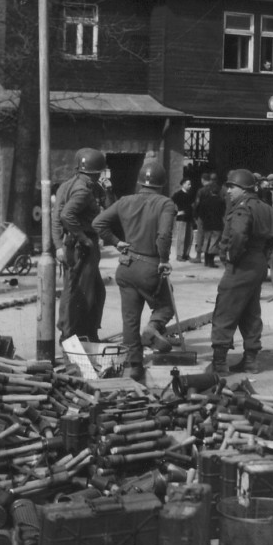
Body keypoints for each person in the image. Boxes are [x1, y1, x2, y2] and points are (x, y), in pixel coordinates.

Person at [93, 161, 176, 383]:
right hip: (149, 266)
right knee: (166, 307)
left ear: (140, 181)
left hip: (127, 267)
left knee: (129, 320)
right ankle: (152, 328)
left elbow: (98, 223)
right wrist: (164, 260)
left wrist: (116, 242)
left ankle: (135, 366)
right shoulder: (165, 204)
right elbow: (164, 236)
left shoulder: (124, 201)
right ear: (161, 184)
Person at [207, 169, 273, 375]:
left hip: (241, 264)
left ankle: (219, 363)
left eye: (232, 187)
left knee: (225, 310)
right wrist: (262, 255)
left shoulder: (242, 209)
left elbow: (237, 233)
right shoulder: (266, 208)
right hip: (258, 264)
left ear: (244, 189)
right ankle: (251, 361)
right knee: (250, 312)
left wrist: (232, 255)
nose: (228, 191)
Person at [52, 148, 108, 343]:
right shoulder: (83, 190)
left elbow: (57, 216)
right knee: (79, 293)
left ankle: (87, 332)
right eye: (99, 172)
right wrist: (83, 239)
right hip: (80, 246)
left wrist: (59, 244)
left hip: (75, 244)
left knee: (95, 291)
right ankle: (71, 336)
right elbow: (65, 216)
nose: (100, 176)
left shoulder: (69, 186)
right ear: (94, 172)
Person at [196, 175, 227, 267]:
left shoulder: (205, 201)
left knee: (206, 241)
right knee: (214, 243)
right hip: (217, 224)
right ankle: (211, 261)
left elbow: (200, 211)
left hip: (207, 224)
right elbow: (222, 212)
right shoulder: (221, 201)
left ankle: (206, 261)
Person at [171, 177, 194, 262]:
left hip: (190, 218)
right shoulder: (178, 194)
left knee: (189, 237)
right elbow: (170, 203)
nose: (190, 186)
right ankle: (179, 255)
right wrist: (176, 213)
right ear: (183, 184)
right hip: (181, 219)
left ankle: (186, 254)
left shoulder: (190, 194)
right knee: (181, 237)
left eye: (190, 184)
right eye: (188, 184)